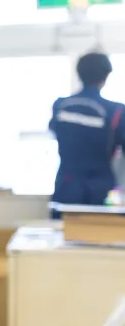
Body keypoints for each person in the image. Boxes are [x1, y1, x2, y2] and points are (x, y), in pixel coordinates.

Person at [50, 51, 125, 211]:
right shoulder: (117, 111)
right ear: (106, 77)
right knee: (100, 227)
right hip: (101, 190)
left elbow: (54, 130)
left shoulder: (60, 106)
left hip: (66, 185)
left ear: (79, 74)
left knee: (63, 226)